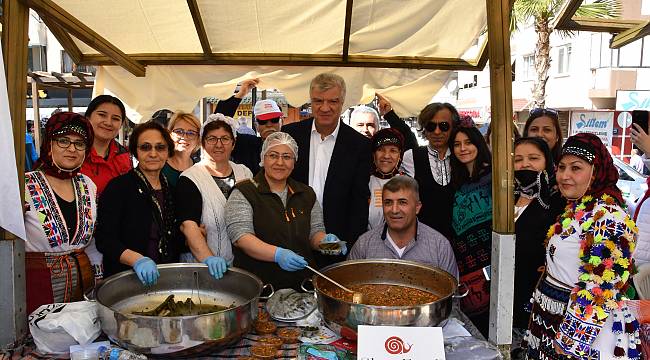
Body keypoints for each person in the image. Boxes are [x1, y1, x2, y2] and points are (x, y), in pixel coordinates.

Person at [524, 133, 640, 359]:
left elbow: (602, 286)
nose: (565, 176)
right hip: (552, 318)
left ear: (595, 172)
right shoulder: (578, 209)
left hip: (585, 334)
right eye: (561, 167)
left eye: (576, 168)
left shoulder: (609, 218)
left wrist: (571, 339)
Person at [225, 132, 343, 289]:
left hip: (302, 286)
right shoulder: (244, 192)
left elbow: (315, 232)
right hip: (260, 289)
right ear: (263, 158)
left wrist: (327, 244)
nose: (280, 162)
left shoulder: (306, 193)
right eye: (273, 155)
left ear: (294, 162)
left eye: (287, 157)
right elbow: (242, 238)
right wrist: (277, 254)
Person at [282, 73, 371, 267]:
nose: (325, 108)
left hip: (335, 245)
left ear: (342, 102)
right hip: (290, 239)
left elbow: (359, 202)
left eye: (332, 101)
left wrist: (351, 246)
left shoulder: (360, 145)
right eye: (318, 101)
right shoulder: (290, 135)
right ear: (310, 102)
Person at [24, 112, 101, 314]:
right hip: (35, 286)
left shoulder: (88, 185)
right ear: (49, 143)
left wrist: (98, 278)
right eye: (63, 141)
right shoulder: (24, 184)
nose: (72, 149)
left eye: (79, 143)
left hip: (82, 287)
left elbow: (91, 242)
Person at [95, 122, 179, 284]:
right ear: (135, 151)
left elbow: (173, 238)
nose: (153, 153)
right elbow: (105, 240)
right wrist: (136, 260)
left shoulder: (172, 190)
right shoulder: (118, 187)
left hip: (166, 277)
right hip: (126, 279)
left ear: (168, 152)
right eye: (145, 147)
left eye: (160, 147)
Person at [176, 116, 253, 278]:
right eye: (212, 139)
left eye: (225, 139)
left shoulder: (244, 173)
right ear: (203, 143)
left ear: (233, 143)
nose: (218, 144)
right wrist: (208, 258)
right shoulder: (190, 178)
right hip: (201, 268)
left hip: (241, 267)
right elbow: (189, 226)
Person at [510, 137, 565, 357]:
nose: (525, 164)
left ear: (547, 162)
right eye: (519, 159)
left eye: (534, 158)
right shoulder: (507, 195)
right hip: (506, 289)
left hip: (536, 292)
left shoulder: (556, 202)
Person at [349, 176, 459, 278]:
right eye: (388, 203)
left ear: (417, 207)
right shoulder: (364, 245)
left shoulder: (439, 246)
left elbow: (452, 296)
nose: (394, 210)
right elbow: (348, 289)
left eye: (402, 202)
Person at [448, 125, 492, 337]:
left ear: (478, 144)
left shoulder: (493, 176)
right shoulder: (456, 181)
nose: (462, 148)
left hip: (490, 257)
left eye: (468, 143)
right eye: (457, 144)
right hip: (464, 260)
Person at [401, 103, 459, 240]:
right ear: (424, 129)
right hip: (423, 239)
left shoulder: (461, 156)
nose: (437, 132)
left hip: (459, 239)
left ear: (453, 128)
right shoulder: (410, 157)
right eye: (431, 126)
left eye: (443, 126)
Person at [80, 95, 132, 196]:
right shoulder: (73, 153)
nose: (108, 122)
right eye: (102, 115)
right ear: (88, 118)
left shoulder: (124, 156)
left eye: (115, 119)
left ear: (121, 125)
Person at [367, 128, 406, 229]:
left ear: (400, 156)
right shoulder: (364, 182)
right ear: (373, 154)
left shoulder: (406, 184)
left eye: (393, 151)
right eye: (381, 150)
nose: (386, 156)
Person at [232, 99, 284, 174]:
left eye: (274, 119)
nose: (269, 125)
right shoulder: (246, 145)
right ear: (256, 125)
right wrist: (240, 94)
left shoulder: (293, 146)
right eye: (263, 121)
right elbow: (219, 122)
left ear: (281, 122)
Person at [162, 111, 201, 187]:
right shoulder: (159, 166)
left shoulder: (200, 170)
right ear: (170, 135)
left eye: (191, 133)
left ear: (198, 139)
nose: (184, 137)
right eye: (179, 131)